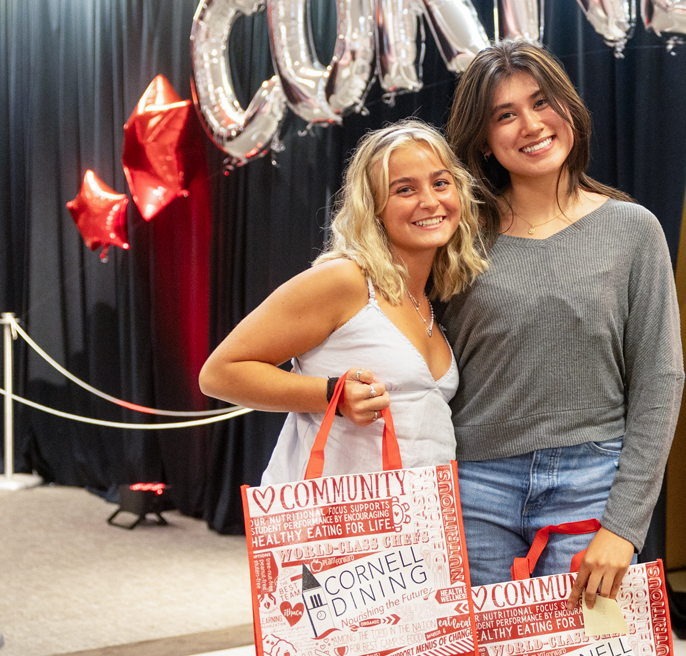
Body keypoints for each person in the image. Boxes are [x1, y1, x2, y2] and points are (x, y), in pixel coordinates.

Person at [443, 38, 684, 609]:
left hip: (591, 482)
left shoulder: (633, 229)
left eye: (541, 102)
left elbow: (659, 381)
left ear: (569, 109)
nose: (530, 124)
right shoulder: (455, 236)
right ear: (482, 139)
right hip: (473, 485)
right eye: (505, 115)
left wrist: (624, 524)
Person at [199, 121, 488, 482]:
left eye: (440, 183)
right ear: (374, 207)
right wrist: (332, 394)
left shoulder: (430, 300)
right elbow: (219, 374)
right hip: (335, 526)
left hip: (414, 522)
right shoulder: (345, 280)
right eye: (404, 189)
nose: (430, 201)